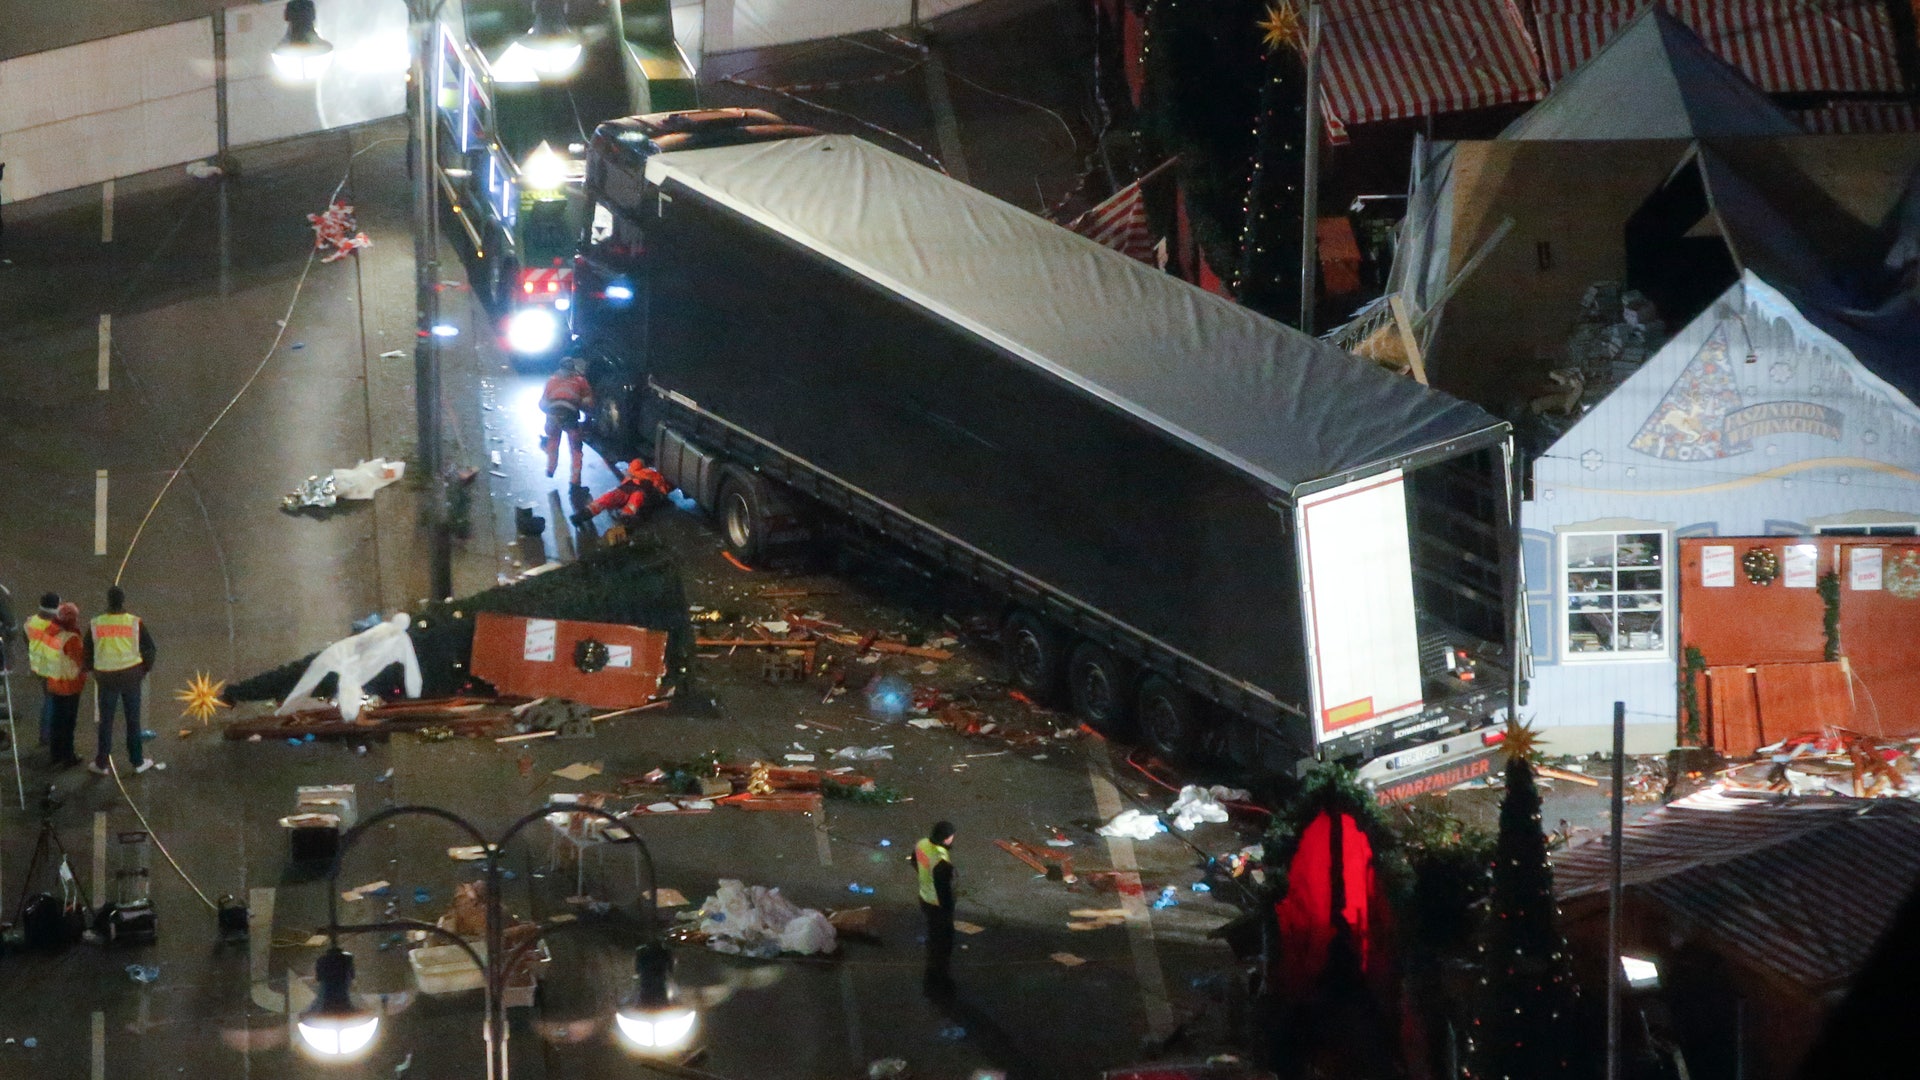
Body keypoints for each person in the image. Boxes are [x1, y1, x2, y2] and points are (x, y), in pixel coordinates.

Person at [86, 586, 158, 775]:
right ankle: (137, 760)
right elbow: (150, 649)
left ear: (108, 601)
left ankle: (101, 762)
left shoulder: (96, 623)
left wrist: (93, 669)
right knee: (133, 720)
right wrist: (143, 670)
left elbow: (87, 651)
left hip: (106, 677)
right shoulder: (134, 622)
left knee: (106, 721)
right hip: (131, 676)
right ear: (123, 600)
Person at [914, 820, 958, 996]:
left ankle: (934, 952)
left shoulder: (922, 843)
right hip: (936, 903)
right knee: (943, 937)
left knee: (933, 930)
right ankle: (940, 974)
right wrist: (948, 910)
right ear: (946, 838)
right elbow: (944, 891)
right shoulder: (940, 859)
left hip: (924, 896)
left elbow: (915, 861)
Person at [539, 358, 596, 488]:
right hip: (570, 417)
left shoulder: (551, 380)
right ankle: (575, 478)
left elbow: (542, 403)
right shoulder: (580, 381)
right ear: (573, 368)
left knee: (553, 441)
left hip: (552, 417)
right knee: (575, 448)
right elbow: (589, 403)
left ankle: (550, 469)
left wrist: (550, 414)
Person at [43, 603, 86, 768]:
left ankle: (55, 755)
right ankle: (68, 756)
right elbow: (80, 660)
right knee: (68, 724)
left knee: (56, 721)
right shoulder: (71, 638)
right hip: (69, 686)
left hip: (54, 683)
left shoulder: (49, 633)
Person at [572, 459, 671, 531]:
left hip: (633, 486)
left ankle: (584, 514)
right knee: (616, 499)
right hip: (636, 486)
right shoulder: (659, 476)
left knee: (612, 498)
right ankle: (624, 520)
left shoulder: (646, 472)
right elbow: (636, 464)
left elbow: (635, 465)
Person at [23, 592, 63, 748]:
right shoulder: (58, 626)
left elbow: (27, 642)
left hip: (38, 666)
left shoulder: (29, 623)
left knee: (49, 699)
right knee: (52, 702)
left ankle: (46, 735)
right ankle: (48, 736)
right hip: (54, 668)